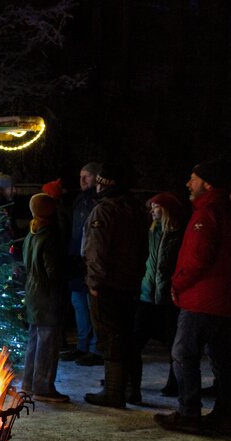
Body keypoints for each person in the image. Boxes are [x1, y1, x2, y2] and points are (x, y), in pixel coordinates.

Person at [155, 159, 231, 435]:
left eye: (193, 178)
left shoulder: (207, 214)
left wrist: (178, 283)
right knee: (224, 357)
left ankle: (189, 413)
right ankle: (224, 414)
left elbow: (198, 258)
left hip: (203, 299)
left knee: (184, 352)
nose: (188, 184)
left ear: (207, 183)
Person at [82, 163, 149, 409]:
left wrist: (94, 281)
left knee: (111, 337)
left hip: (108, 284)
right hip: (130, 283)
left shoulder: (105, 211)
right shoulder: (136, 209)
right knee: (127, 336)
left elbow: (96, 250)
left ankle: (113, 391)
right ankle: (132, 389)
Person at [129, 192, 186, 403]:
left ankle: (175, 383)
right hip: (147, 295)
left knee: (174, 344)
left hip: (169, 298)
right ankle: (131, 387)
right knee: (135, 341)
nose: (152, 210)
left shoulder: (179, 234)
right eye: (152, 207)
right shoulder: (151, 232)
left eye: (156, 207)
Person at [21, 193, 68, 402]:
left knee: (34, 339)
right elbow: (54, 271)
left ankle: (29, 382)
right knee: (48, 342)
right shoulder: (49, 236)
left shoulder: (32, 234)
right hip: (47, 295)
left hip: (33, 292)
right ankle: (43, 386)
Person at [65, 162, 102, 365]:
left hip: (90, 261)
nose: (82, 181)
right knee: (79, 304)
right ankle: (82, 345)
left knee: (92, 306)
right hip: (76, 261)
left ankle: (96, 348)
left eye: (86, 176)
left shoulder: (98, 203)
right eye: (81, 176)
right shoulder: (79, 201)